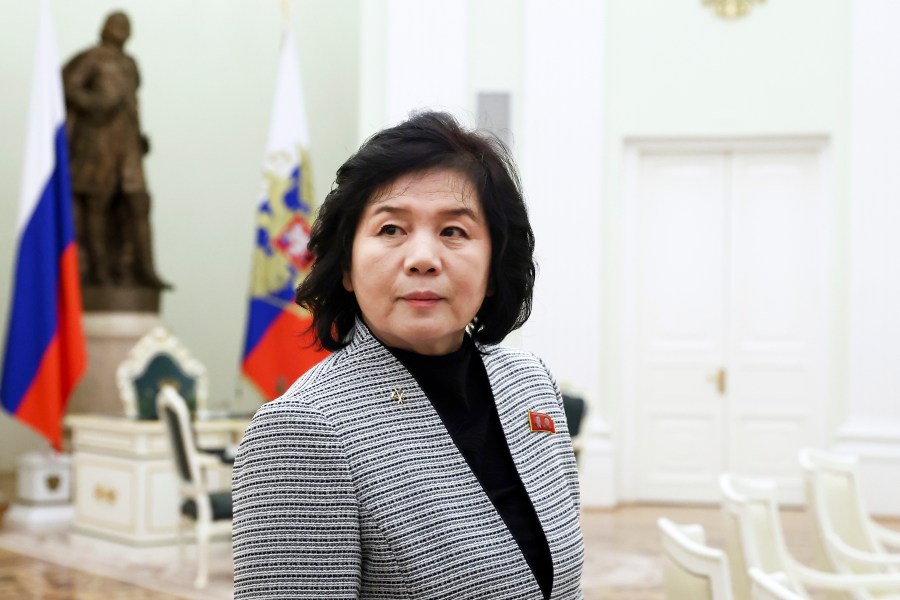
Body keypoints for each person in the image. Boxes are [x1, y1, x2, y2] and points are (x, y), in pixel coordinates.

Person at [233, 111, 584, 599]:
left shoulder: (530, 382)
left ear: (492, 268)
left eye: (454, 232)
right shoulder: (303, 429)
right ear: (348, 268)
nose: (423, 257)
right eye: (391, 229)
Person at [62, 11, 168, 289]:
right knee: (97, 203)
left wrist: (138, 136)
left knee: (138, 202)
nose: (121, 29)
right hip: (98, 143)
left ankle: (145, 268)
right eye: (116, 24)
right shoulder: (90, 58)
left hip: (128, 146)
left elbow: (132, 104)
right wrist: (96, 104)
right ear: (104, 28)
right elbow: (68, 87)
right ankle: (99, 270)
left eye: (126, 25)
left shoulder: (130, 63)